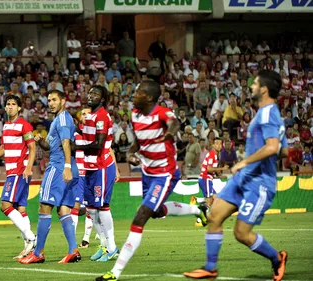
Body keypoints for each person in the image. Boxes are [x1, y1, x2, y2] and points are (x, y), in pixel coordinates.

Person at [96, 81, 207, 281]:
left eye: (137, 92)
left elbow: (174, 123)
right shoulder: (136, 115)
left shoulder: (162, 113)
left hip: (164, 174)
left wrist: (170, 134)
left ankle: (115, 272)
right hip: (147, 173)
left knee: (141, 216)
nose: (133, 95)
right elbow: (137, 141)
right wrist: (130, 153)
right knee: (155, 212)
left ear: (148, 97)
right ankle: (198, 209)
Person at [183, 70, 289, 281]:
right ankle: (210, 268)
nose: (252, 86)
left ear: (264, 89)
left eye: (256, 83)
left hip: (258, 184)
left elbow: (272, 148)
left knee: (241, 233)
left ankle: (277, 258)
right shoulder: (265, 114)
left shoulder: (269, 113)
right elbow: (283, 151)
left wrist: (245, 162)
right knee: (213, 216)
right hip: (243, 179)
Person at [19, 90, 81, 264]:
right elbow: (51, 146)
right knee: (63, 210)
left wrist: (66, 167)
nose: (51, 103)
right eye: (49, 100)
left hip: (59, 167)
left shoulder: (61, 119)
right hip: (68, 167)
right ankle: (73, 251)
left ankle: (38, 253)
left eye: (54, 100)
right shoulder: (60, 119)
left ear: (63, 101)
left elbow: (66, 144)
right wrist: (40, 141)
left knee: (44, 207)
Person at [0, 94, 37, 260]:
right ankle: (28, 247)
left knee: (5, 205)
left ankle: (31, 237)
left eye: (13, 104)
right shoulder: (6, 126)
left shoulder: (24, 125)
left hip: (19, 170)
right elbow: (4, 148)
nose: (10, 106)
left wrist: (29, 167)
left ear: (19, 108)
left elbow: (32, 147)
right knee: (21, 209)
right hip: (13, 171)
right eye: (7, 104)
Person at [74, 85, 118, 262]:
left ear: (102, 99)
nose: (91, 95)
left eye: (96, 94)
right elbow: (87, 140)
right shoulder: (90, 116)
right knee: (92, 209)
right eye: (90, 92)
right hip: (90, 167)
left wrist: (75, 146)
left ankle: (112, 247)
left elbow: (98, 145)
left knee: (102, 207)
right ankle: (104, 246)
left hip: (102, 167)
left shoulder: (101, 117)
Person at [71, 107, 95, 249]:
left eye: (88, 114)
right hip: (79, 174)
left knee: (92, 208)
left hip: (93, 172)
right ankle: (72, 242)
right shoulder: (74, 133)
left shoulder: (97, 132)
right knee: (75, 206)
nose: (86, 116)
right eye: (83, 114)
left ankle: (86, 239)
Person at [197, 138, 228, 210]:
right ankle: (203, 216)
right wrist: (222, 169)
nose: (219, 145)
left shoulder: (215, 155)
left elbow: (212, 170)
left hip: (207, 179)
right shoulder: (212, 154)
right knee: (209, 199)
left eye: (220, 144)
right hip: (205, 179)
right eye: (217, 143)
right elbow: (209, 169)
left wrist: (219, 175)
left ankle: (202, 211)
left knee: (215, 198)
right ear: (213, 145)